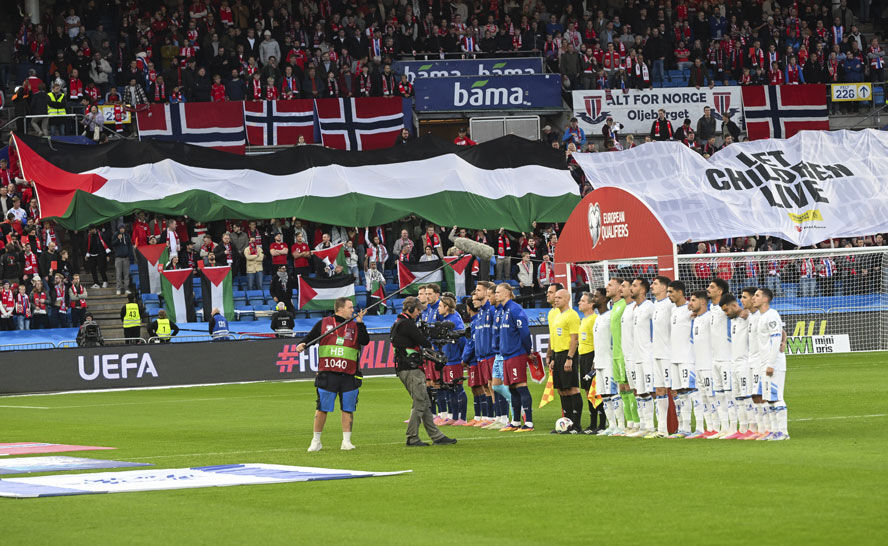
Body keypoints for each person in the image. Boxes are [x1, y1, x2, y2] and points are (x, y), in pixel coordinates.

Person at [294, 297, 369, 451]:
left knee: (348, 407)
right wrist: (302, 344)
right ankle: (316, 441)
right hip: (328, 373)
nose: (353, 310)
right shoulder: (324, 322)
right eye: (350, 307)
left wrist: (361, 323)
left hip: (349, 373)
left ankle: (346, 441)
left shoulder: (356, 325)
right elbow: (311, 337)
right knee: (322, 407)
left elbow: (365, 341)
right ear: (340, 309)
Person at [391, 296, 457, 447]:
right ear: (411, 309)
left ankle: (437, 436)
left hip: (405, 368)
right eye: (418, 310)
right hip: (411, 368)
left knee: (425, 402)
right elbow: (423, 341)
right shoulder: (407, 324)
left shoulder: (398, 323)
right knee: (420, 401)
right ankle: (412, 437)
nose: (419, 313)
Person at [494, 283, 534, 432]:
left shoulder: (515, 309)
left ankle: (528, 422)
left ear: (506, 293)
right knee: (512, 389)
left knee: (521, 387)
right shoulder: (504, 311)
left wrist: (528, 349)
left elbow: (524, 332)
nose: (496, 294)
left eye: (498, 292)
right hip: (507, 355)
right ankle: (516, 421)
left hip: (517, 354)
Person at [754, 288, 789, 440]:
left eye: (757, 295)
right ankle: (774, 431)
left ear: (765, 299)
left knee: (777, 396)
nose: (754, 298)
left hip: (773, 363)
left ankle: (783, 432)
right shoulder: (761, 317)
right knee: (769, 398)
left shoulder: (772, 314)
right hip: (765, 362)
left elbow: (776, 340)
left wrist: (771, 363)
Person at [548, 288, 583, 433]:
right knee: (562, 390)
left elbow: (574, 339)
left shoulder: (572, 315)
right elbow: (555, 337)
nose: (556, 300)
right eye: (555, 297)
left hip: (567, 355)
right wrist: (552, 357)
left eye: (559, 298)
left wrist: (570, 358)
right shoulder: (557, 315)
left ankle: (576, 425)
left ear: (567, 299)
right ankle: (566, 424)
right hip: (558, 355)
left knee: (572, 388)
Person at [721, 292, 753, 439]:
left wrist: (747, 311)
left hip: (745, 364)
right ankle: (743, 429)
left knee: (747, 397)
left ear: (734, 305)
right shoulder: (734, 320)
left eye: (727, 310)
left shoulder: (748, 317)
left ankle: (752, 427)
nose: (726, 314)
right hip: (735, 364)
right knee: (738, 398)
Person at [628, 277, 656, 437]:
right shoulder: (635, 308)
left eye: (634, 286)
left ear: (643, 290)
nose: (631, 288)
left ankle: (655, 427)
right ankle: (645, 426)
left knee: (651, 390)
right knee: (640, 392)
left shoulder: (649, 307)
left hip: (648, 355)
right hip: (637, 356)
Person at [667, 280, 695, 437]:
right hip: (674, 357)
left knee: (688, 391)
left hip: (687, 357)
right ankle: (682, 427)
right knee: (677, 393)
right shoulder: (673, 310)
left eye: (671, 292)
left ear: (680, 292)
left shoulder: (690, 309)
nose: (669, 295)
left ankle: (688, 427)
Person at [707, 277, 734, 437]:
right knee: (719, 395)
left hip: (727, 359)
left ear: (720, 291)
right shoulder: (711, 309)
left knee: (730, 395)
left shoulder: (727, 309)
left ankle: (734, 427)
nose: (708, 288)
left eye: (711, 286)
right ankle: (724, 428)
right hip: (714, 359)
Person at [686, 291, 715, 439]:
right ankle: (708, 428)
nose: (690, 303)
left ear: (703, 302)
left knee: (712, 397)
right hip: (698, 365)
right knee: (702, 398)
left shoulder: (710, 318)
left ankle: (716, 428)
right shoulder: (696, 319)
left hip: (709, 365)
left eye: (693, 300)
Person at [650, 276, 674, 438]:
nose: (652, 286)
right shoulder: (654, 305)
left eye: (656, 284)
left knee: (674, 389)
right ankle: (662, 429)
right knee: (659, 389)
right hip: (656, 353)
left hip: (668, 354)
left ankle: (682, 427)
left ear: (665, 288)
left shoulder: (670, 305)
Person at [437, 295, 467, 425]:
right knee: (450, 388)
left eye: (440, 306)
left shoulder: (454, 320)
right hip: (448, 358)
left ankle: (462, 417)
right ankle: (454, 416)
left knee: (457, 388)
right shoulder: (446, 319)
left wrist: (462, 356)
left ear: (447, 308)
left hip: (454, 359)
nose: (438, 309)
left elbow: (462, 338)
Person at [576, 290, 600, 433]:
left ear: (591, 304)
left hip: (591, 356)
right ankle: (592, 424)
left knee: (595, 390)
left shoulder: (594, 319)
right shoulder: (583, 319)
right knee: (587, 391)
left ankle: (600, 424)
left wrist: (595, 360)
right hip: (583, 357)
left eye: (583, 301)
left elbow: (597, 340)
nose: (579, 302)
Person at [111, 225, 131, 295]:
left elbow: (129, 245)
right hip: (118, 258)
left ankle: (126, 289)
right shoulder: (115, 235)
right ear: (118, 229)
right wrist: (117, 239)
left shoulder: (127, 235)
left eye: (123, 228)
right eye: (121, 228)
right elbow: (112, 244)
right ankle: (118, 289)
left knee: (126, 275)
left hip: (126, 258)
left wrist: (130, 255)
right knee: (118, 274)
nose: (122, 229)